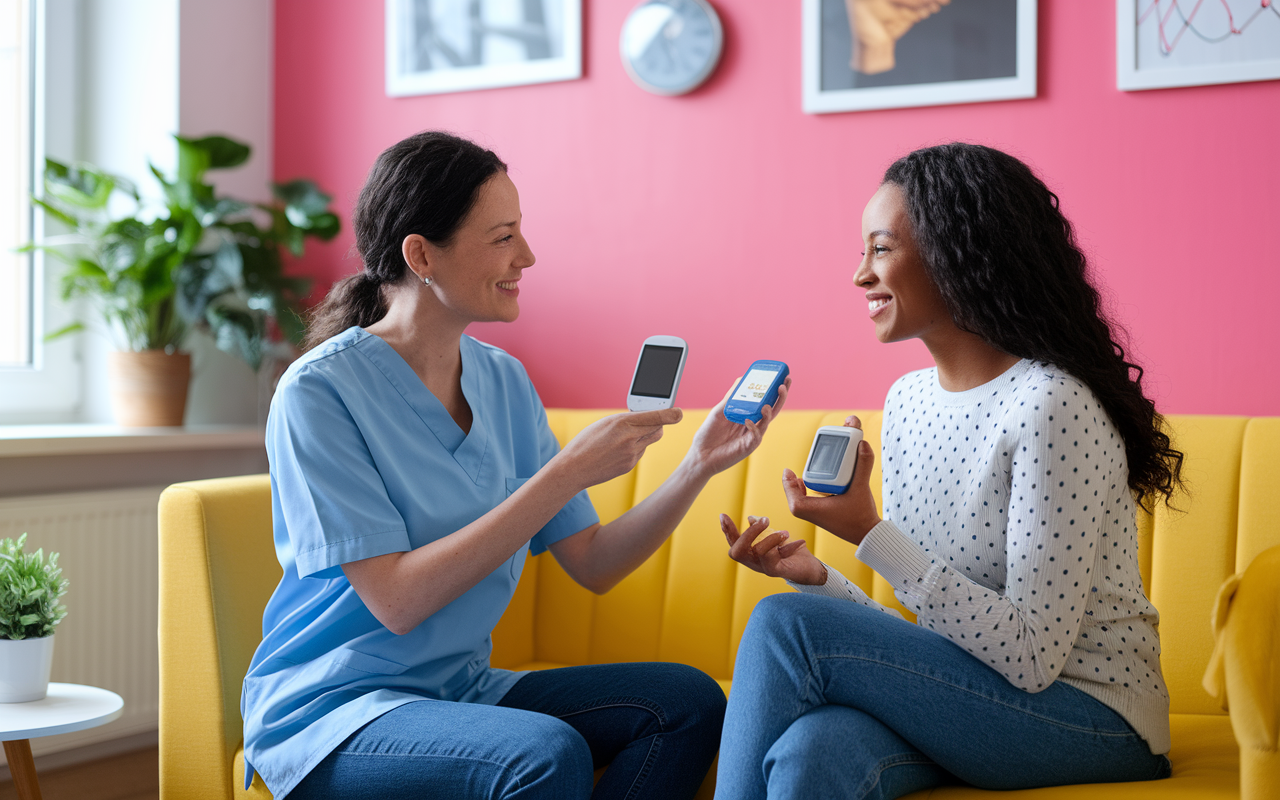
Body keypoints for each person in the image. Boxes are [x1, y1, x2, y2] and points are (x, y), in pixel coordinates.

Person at [241, 131, 789, 800]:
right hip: (336, 714)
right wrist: (563, 475)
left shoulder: (503, 381)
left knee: (689, 700)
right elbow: (398, 601)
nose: (526, 256)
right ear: (421, 255)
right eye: (502, 237)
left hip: (461, 692)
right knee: (540, 753)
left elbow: (594, 563)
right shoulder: (319, 392)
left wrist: (697, 465)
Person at [714, 143, 1183, 800]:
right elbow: (938, 634)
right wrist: (818, 578)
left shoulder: (1051, 405)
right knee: (811, 751)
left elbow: (1029, 655)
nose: (859, 276)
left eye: (880, 249)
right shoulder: (907, 401)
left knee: (781, 625)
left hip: (1094, 718)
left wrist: (870, 533)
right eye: (862, 252)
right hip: (983, 700)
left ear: (960, 252)